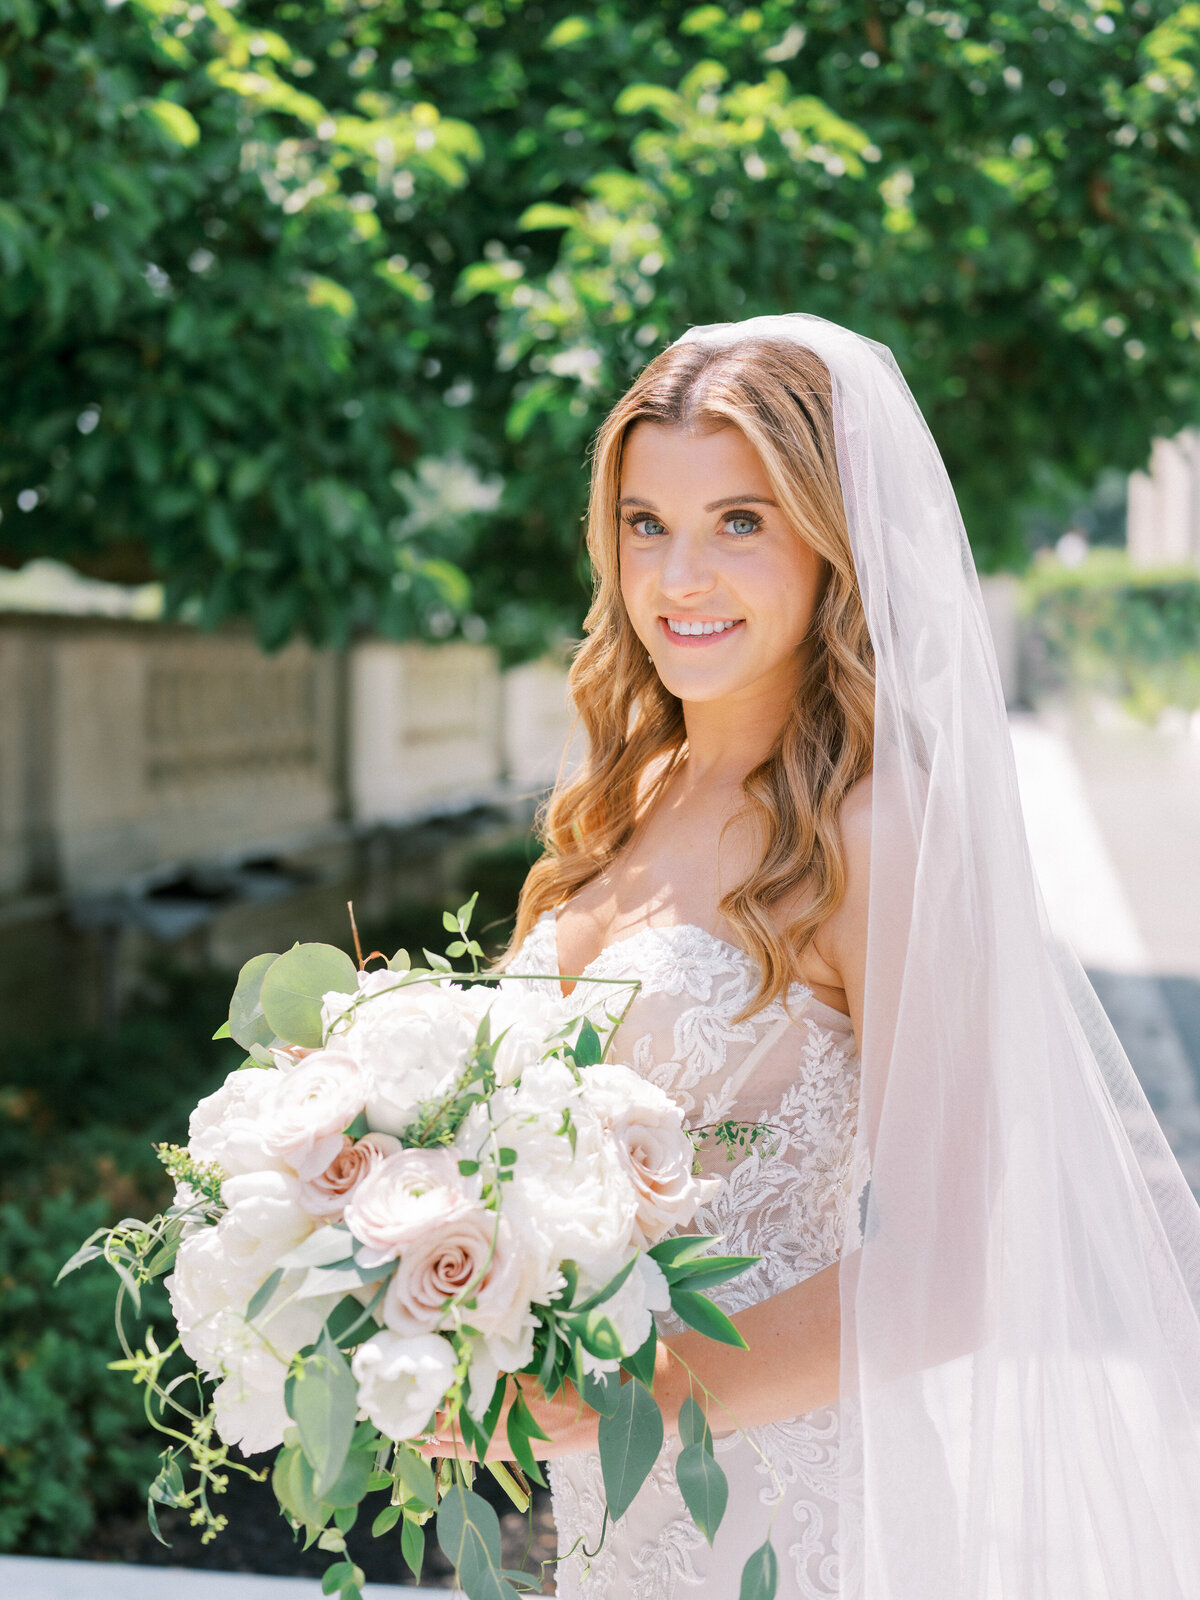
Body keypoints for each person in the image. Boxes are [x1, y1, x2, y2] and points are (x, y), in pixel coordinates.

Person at [427, 314, 1200, 1599]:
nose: (681, 576)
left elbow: (950, 1275)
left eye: (742, 521)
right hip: (601, 1521)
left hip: (784, 1514)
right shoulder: (613, 801)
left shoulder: (879, 829)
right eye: (644, 523)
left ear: (830, 541)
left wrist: (622, 1400)